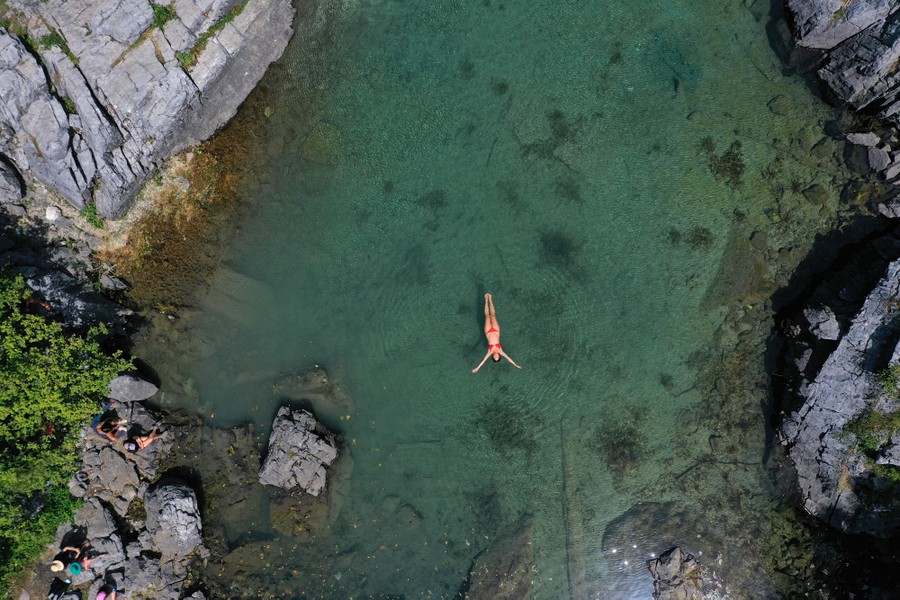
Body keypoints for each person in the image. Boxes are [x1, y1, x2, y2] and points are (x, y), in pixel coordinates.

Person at [472, 293, 522, 373]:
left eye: (494, 357)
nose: (496, 356)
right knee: (493, 315)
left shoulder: (490, 352)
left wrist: (477, 368)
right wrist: (515, 365)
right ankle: (490, 299)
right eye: (497, 357)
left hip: (488, 331)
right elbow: (508, 358)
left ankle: (486, 299)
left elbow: (483, 361)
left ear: (493, 356)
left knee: (487, 316)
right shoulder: (500, 351)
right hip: (496, 331)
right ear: (499, 356)